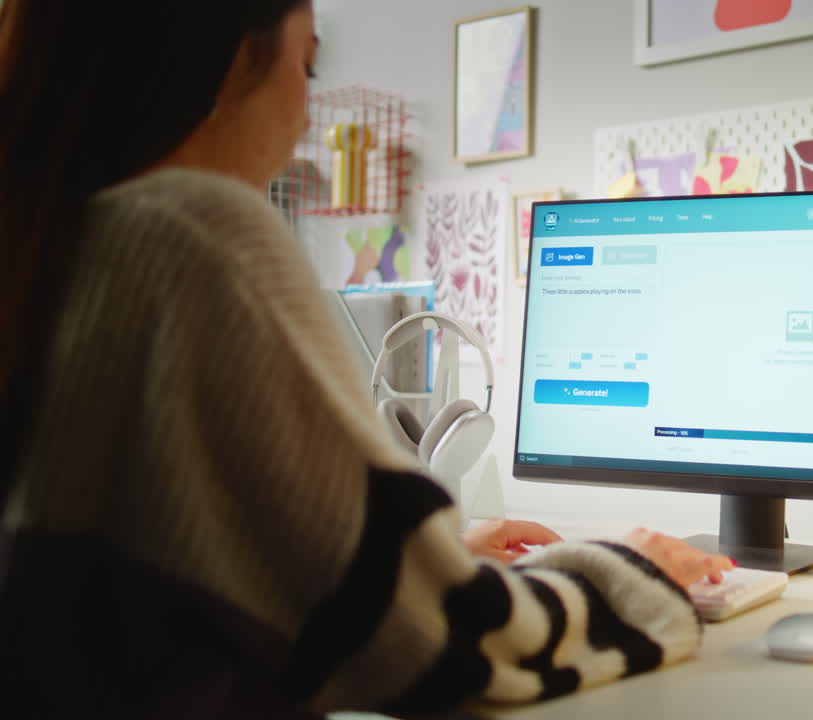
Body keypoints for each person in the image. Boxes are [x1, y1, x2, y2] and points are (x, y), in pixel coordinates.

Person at [0, 1, 733, 717]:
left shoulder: (53, 240)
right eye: (308, 67)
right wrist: (632, 569)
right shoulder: (191, 231)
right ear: (224, 60)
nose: (303, 119)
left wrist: (423, 559)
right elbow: (452, 650)